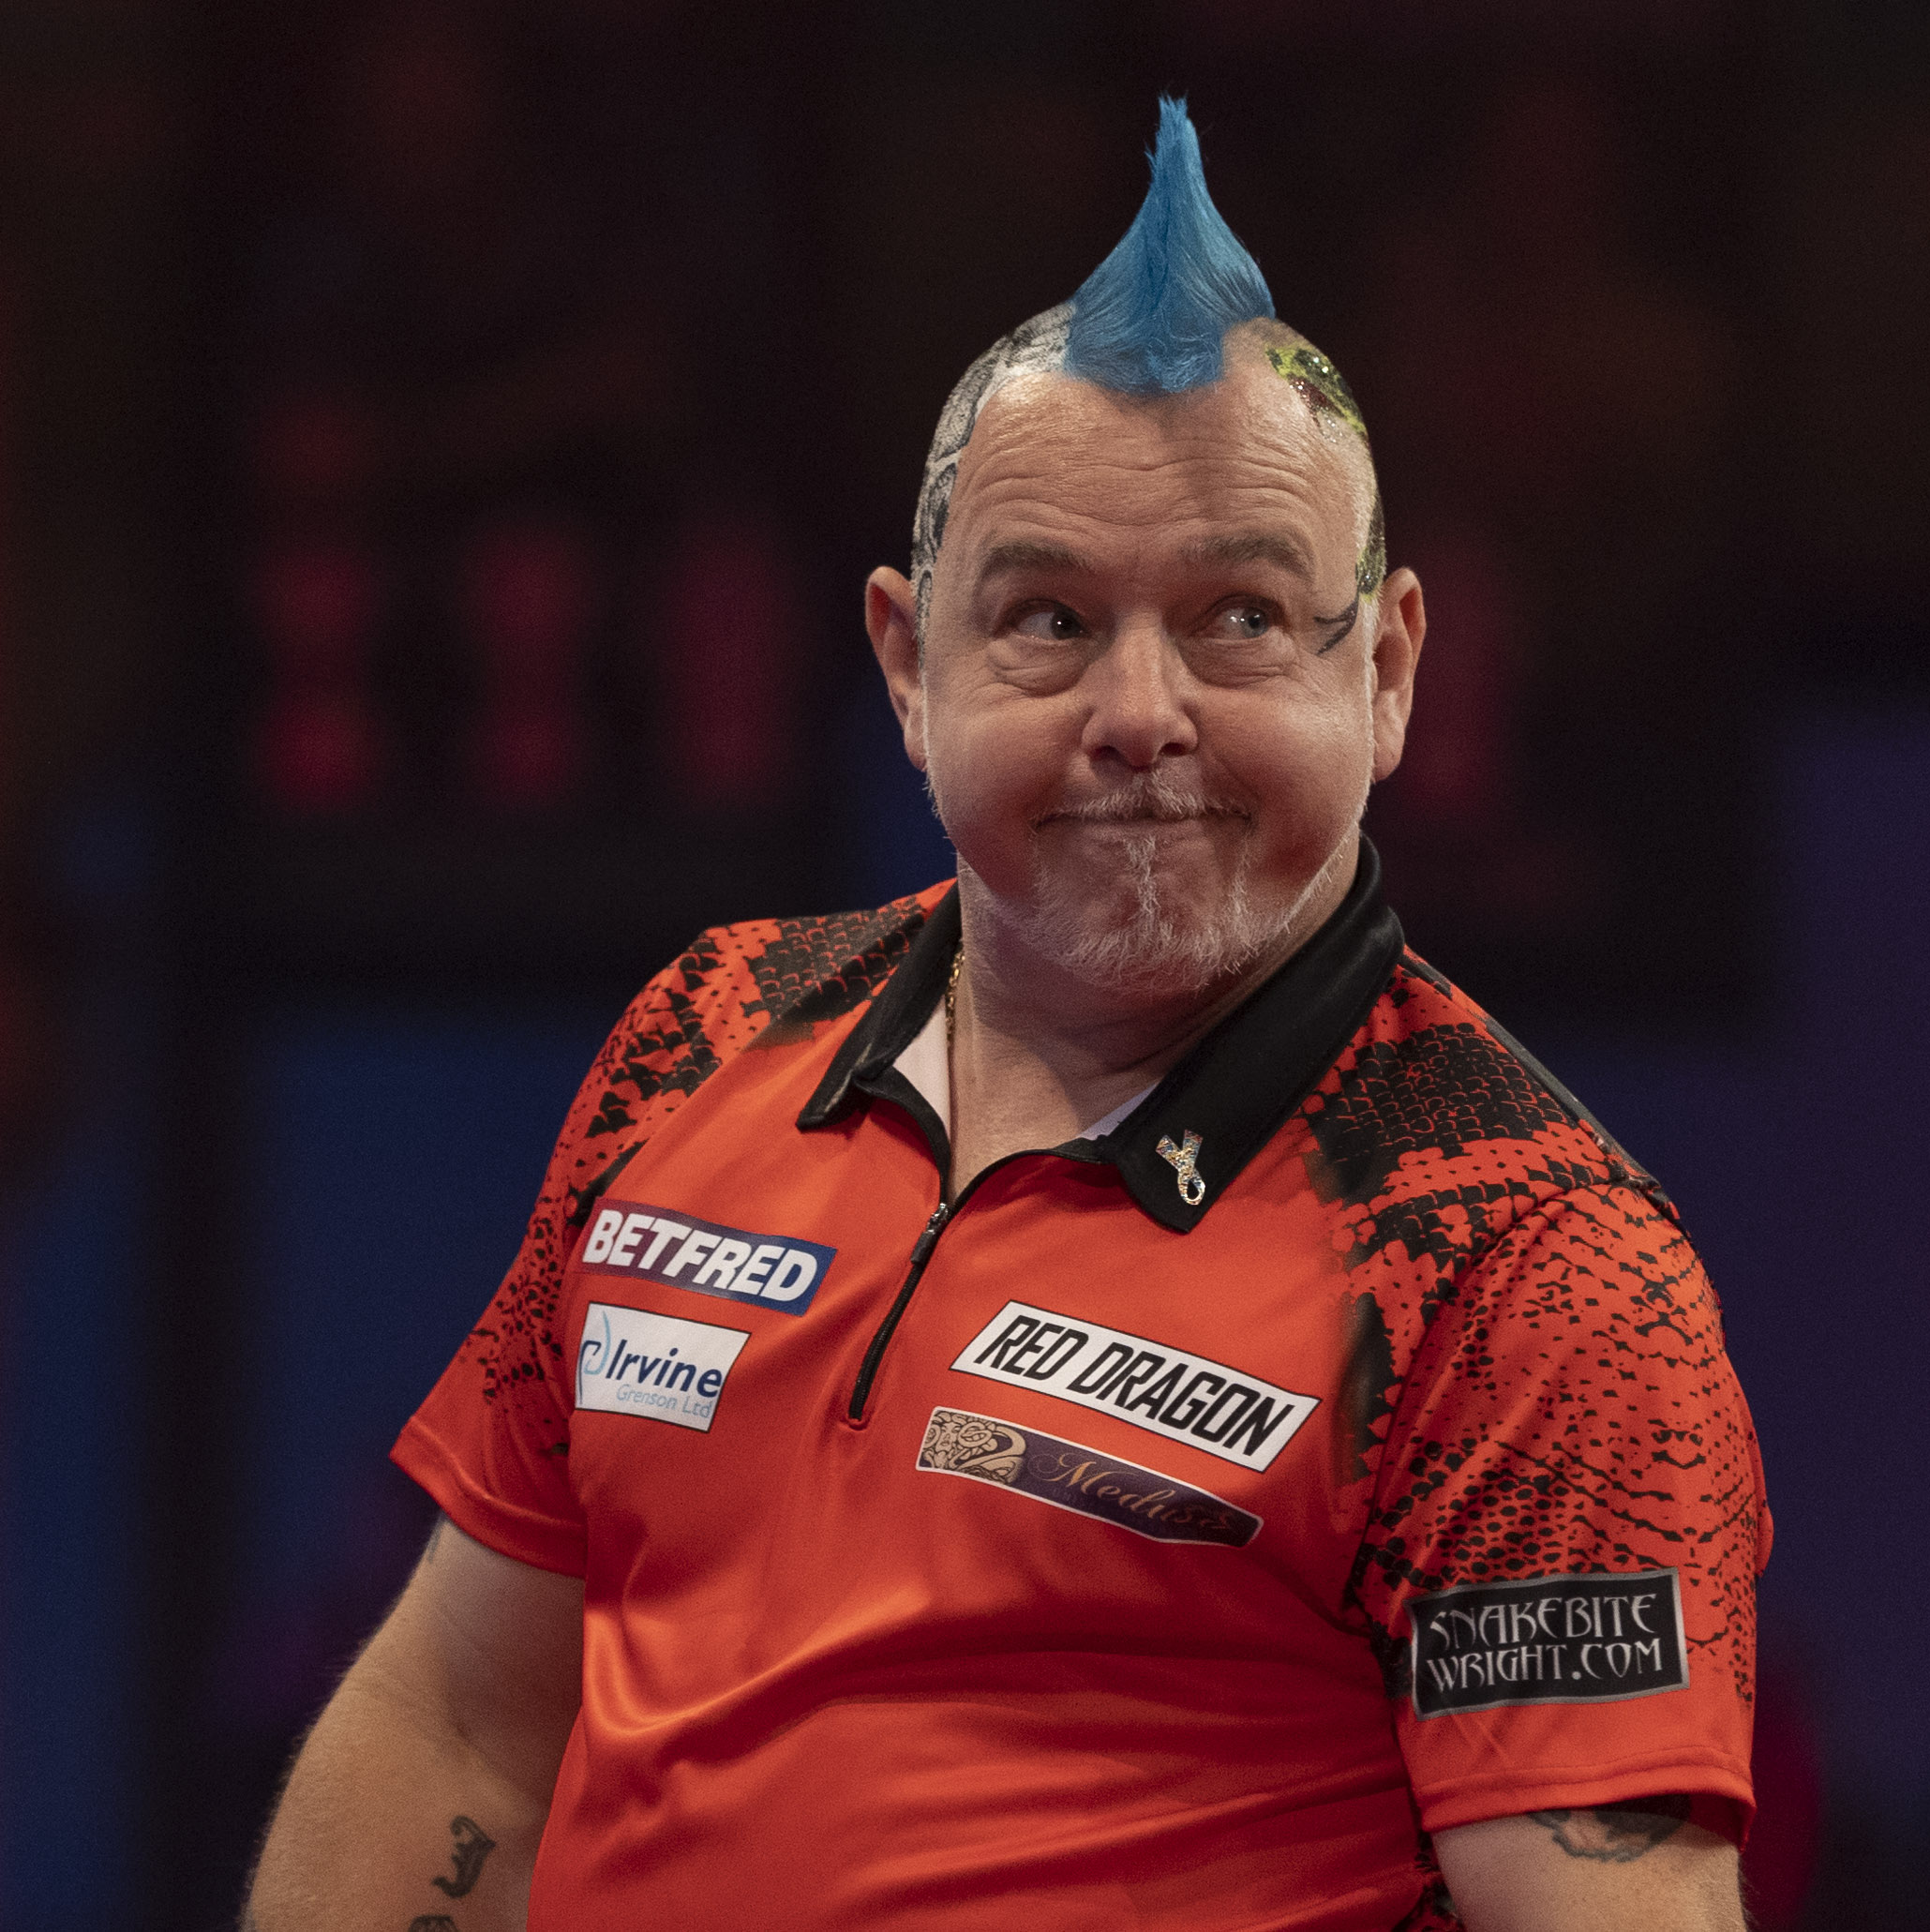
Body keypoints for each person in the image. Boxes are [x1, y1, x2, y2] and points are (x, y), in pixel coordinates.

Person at [245, 98, 1770, 1932]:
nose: (1139, 712)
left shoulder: (1525, 1269)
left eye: (1239, 617)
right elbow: (461, 1727)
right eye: (1047, 618)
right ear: (909, 665)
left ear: (1385, 674)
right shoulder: (703, 1032)